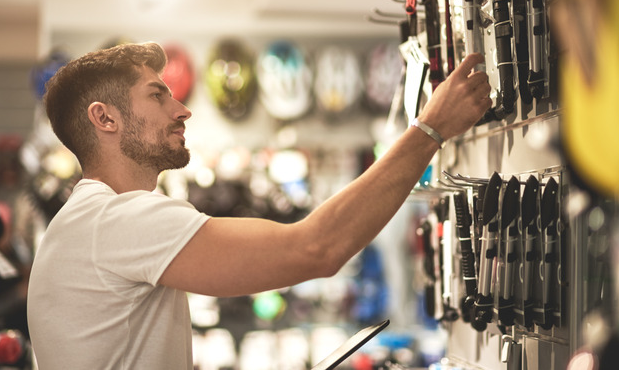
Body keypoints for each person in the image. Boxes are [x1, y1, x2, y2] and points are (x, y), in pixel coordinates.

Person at [26, 42, 491, 369]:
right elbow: (318, 248)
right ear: (104, 118)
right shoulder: (117, 221)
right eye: (157, 94)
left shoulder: (85, 224)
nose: (182, 109)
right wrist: (430, 129)